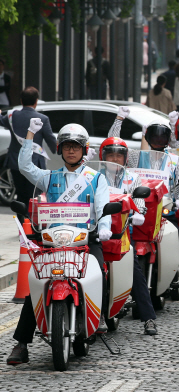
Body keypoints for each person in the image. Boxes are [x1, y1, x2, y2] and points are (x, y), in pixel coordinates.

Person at [7, 119, 112, 365]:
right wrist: (30, 134)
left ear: (84, 149)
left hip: (86, 239)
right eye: (66, 146)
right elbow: (24, 166)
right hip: (54, 242)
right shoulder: (49, 177)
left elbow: (102, 208)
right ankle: (21, 343)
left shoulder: (96, 179)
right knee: (37, 285)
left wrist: (104, 229)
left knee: (100, 270)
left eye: (76, 146)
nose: (71, 150)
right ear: (60, 149)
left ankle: (100, 319)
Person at [108, 110, 179, 316]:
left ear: (168, 138)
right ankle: (113, 298)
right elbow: (115, 143)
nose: (158, 139)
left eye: (162, 136)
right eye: (153, 135)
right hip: (137, 212)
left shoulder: (175, 160)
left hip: (164, 214)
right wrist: (118, 120)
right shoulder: (136, 156)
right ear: (147, 137)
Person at [98, 133, 157, 335]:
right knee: (96, 274)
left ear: (125, 158)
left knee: (136, 273)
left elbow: (139, 202)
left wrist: (139, 212)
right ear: (102, 156)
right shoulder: (94, 176)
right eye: (110, 155)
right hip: (98, 232)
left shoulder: (133, 178)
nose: (115, 159)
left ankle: (148, 318)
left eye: (119, 155)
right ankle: (98, 316)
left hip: (121, 234)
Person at [0, 87, 56, 222]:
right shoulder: (43, 119)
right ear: (36, 101)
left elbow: (1, 120)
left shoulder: (12, 116)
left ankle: (21, 223)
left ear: (21, 100)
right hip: (34, 163)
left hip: (15, 163)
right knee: (33, 196)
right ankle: (30, 224)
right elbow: (52, 142)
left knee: (20, 195)